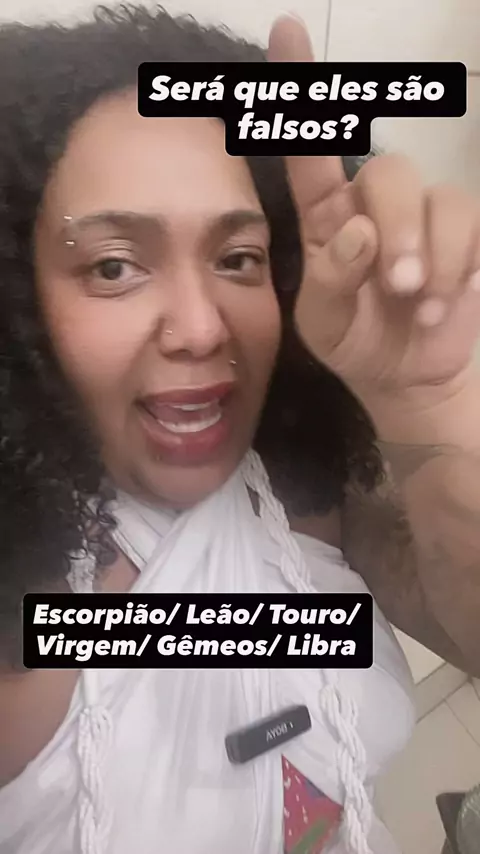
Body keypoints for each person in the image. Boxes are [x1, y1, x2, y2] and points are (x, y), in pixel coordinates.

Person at [0, 5, 475, 854]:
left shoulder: (300, 496)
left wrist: (432, 416)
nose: (200, 327)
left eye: (237, 259)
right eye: (114, 265)